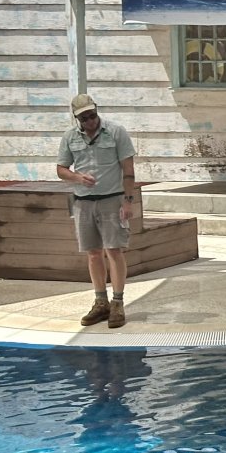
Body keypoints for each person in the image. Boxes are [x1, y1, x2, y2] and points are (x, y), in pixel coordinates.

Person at [56, 94, 138, 328]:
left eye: (92, 115)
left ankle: (118, 302)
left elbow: (128, 169)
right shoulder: (70, 137)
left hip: (111, 200)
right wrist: (77, 178)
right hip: (83, 202)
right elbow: (61, 169)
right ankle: (100, 301)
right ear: (77, 118)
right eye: (85, 117)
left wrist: (128, 201)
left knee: (114, 250)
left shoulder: (116, 132)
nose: (90, 120)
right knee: (93, 253)